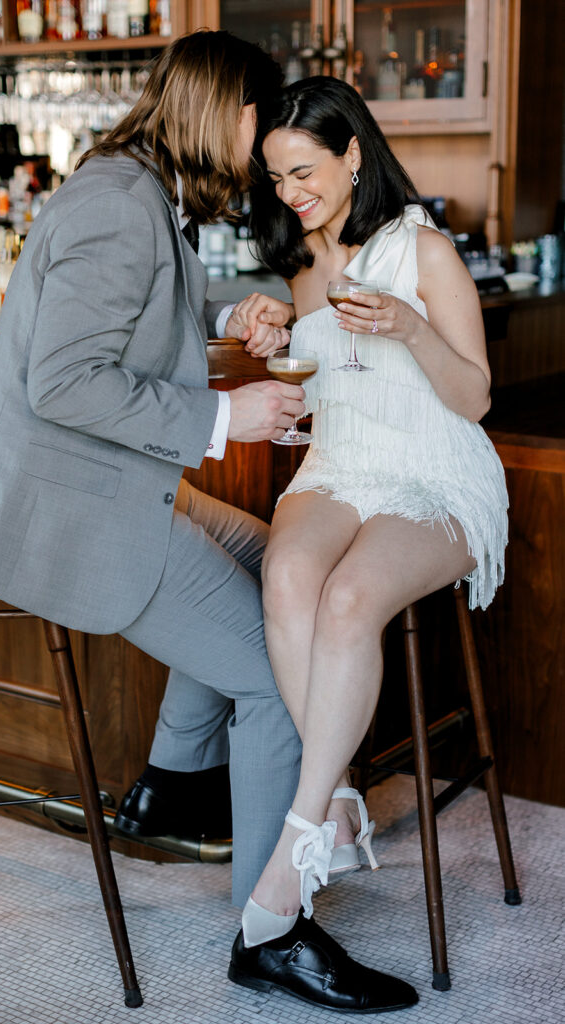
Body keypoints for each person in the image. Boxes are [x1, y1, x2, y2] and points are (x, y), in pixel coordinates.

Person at [0, 34, 415, 1014]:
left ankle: (172, 779)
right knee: (282, 681)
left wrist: (225, 320)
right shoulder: (121, 202)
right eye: (258, 121)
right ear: (223, 110)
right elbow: (67, 379)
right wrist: (221, 416)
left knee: (254, 553)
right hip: (65, 511)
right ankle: (269, 930)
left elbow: (131, 330)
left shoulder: (126, 186)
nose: (260, 149)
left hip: (74, 483)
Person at [226, 74, 507, 1003]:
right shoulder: (299, 257)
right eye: (274, 177)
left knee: (348, 601)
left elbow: (471, 399)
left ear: (352, 154)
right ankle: (340, 806)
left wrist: (409, 327)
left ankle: (303, 840)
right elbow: (321, 390)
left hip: (432, 468)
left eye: (302, 170)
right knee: (286, 576)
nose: (289, 190)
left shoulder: (419, 248)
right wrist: (264, 331)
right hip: (340, 466)